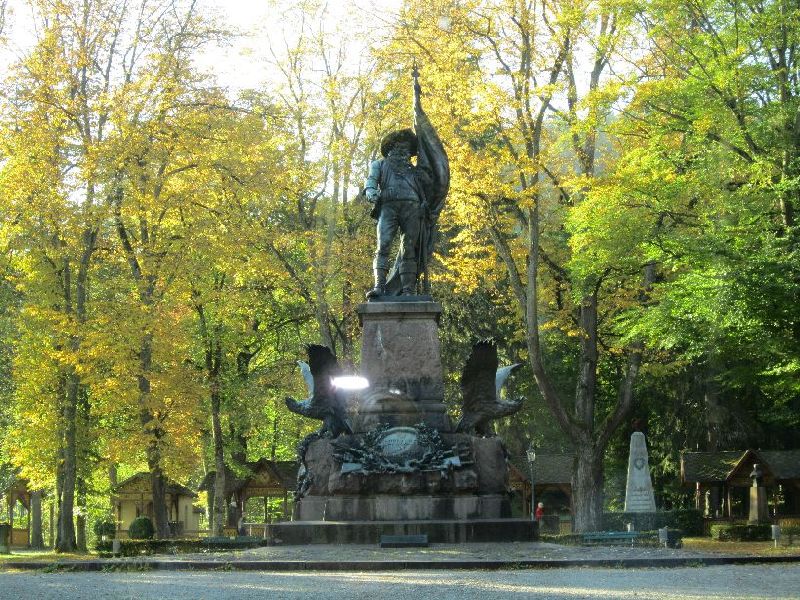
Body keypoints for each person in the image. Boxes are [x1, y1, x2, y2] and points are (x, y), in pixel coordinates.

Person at [364, 64, 449, 298]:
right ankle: (379, 286)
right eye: (398, 147)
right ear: (390, 148)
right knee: (383, 245)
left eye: (406, 148)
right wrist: (371, 192)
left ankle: (409, 289)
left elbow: (429, 185)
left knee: (409, 248)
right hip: (388, 207)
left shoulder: (415, 171)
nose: (402, 150)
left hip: (413, 209)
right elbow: (371, 182)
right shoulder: (380, 165)